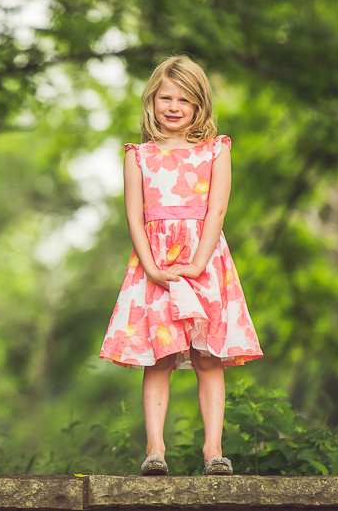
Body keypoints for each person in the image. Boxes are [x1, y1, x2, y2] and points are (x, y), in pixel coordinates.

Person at [99, 55, 262, 477]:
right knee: (160, 357)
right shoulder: (139, 156)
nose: (173, 107)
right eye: (165, 98)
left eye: (184, 100)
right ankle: (155, 449)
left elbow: (218, 210)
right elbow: (135, 216)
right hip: (156, 266)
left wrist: (199, 262)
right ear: (151, 101)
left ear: (199, 105)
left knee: (208, 358)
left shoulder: (215, 150)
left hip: (202, 263)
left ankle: (213, 452)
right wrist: (152, 268)